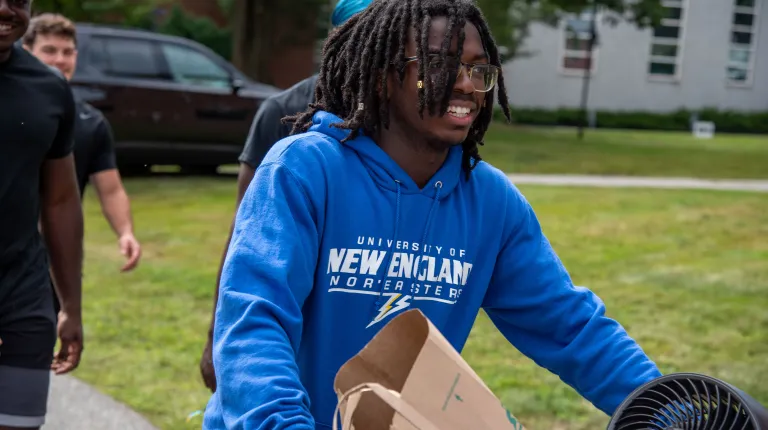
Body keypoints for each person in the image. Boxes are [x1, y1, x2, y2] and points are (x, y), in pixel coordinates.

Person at [203, 0, 663, 428]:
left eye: (477, 69)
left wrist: (672, 408)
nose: (465, 84)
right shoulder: (305, 170)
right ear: (383, 76)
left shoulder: (490, 201)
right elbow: (254, 324)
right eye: (440, 66)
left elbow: (572, 329)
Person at [199, 0, 373, 392]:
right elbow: (244, 233)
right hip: (289, 298)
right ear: (338, 39)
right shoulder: (283, 110)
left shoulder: (407, 115)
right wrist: (216, 337)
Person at [0, 0, 85, 428]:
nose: (4, 9)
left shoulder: (48, 88)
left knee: (19, 422)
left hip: (22, 295)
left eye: (16, 0)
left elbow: (61, 201)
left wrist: (71, 305)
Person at [23, 13, 142, 281]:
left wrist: (125, 232)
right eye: (49, 50)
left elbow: (110, 189)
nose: (60, 60)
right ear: (27, 51)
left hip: (55, 253)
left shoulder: (90, 123)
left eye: (68, 52)